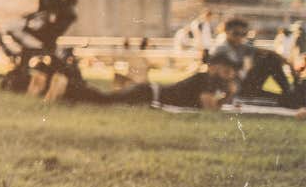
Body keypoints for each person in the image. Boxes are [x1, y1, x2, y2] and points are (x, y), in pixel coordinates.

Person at [48, 53, 239, 110]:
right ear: (213, 67)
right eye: (226, 70)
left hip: (148, 91)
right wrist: (229, 94)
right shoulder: (207, 79)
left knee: (107, 99)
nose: (228, 75)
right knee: (105, 101)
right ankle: (68, 87)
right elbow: (209, 109)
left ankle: (68, 88)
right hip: (148, 93)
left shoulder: (205, 78)